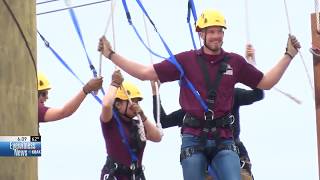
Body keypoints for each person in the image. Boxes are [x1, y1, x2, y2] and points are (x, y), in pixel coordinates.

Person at [98, 9, 300, 180]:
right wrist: (111, 55)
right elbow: (145, 73)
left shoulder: (234, 62)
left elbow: (266, 83)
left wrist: (288, 55)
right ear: (201, 34)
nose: (216, 36)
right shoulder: (186, 61)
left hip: (224, 138)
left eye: (219, 31)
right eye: (211, 32)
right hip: (193, 138)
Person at [150, 45, 263, 180]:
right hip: (203, 157)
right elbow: (164, 121)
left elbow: (258, 93)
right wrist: (155, 93)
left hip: (230, 151)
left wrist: (250, 67)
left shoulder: (232, 95)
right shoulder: (193, 111)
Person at [100, 70, 162, 180]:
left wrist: (142, 116)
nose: (135, 105)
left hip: (135, 176)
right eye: (132, 101)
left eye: (137, 102)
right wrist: (114, 84)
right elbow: (106, 105)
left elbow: (157, 137)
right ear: (118, 104)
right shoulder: (110, 122)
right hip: (115, 175)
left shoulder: (138, 125)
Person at [38, 72, 103, 122]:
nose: (47, 97)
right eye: (43, 94)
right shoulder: (36, 109)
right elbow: (64, 112)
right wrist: (87, 88)